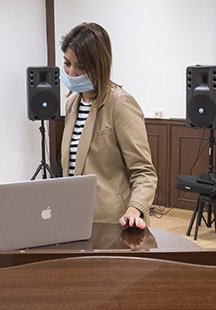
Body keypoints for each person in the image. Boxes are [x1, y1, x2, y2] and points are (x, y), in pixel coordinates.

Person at [60, 22, 157, 229]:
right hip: (77, 218)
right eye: (67, 63)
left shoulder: (120, 104)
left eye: (80, 66)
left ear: (99, 65)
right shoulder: (72, 104)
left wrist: (135, 208)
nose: (71, 72)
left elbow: (144, 171)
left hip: (113, 222)